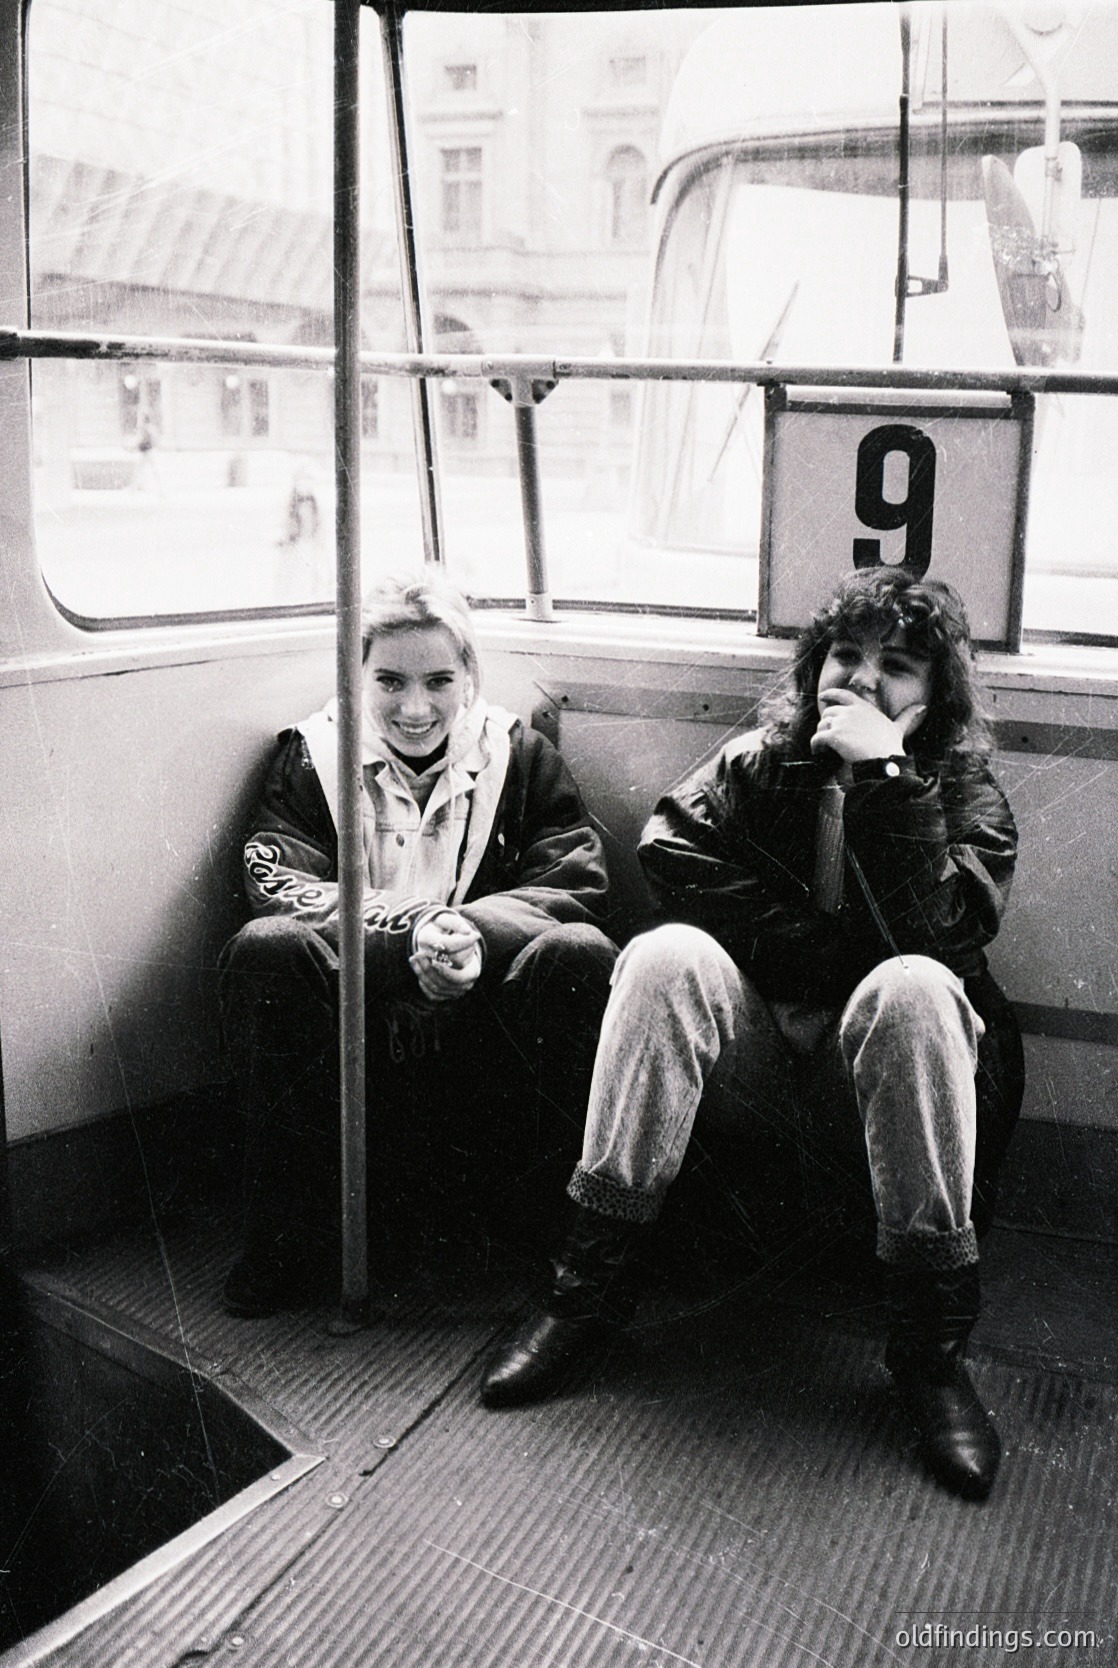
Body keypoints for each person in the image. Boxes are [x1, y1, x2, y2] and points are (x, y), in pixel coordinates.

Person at [480, 566, 1024, 1503]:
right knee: (664, 957)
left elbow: (941, 932)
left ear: (933, 698)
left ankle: (929, 1354)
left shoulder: (964, 792)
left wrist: (885, 780)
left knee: (914, 987)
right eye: (844, 656)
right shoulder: (759, 764)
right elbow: (669, 852)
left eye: (894, 667)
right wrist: (814, 950)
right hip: (770, 1057)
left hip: (883, 1083)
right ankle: (586, 1293)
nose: (858, 681)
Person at [219, 574, 617, 1316]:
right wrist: (407, 937)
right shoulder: (313, 759)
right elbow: (278, 881)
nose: (414, 707)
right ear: (357, 677)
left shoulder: (519, 757)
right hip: (359, 1053)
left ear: (469, 677)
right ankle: (285, 1235)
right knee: (266, 947)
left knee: (582, 953)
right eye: (390, 682)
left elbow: (575, 882)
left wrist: (471, 931)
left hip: (484, 1045)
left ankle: (551, 1235)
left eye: (439, 681)